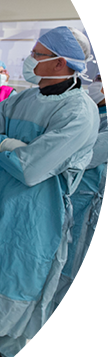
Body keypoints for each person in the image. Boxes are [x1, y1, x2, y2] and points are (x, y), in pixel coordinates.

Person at [0, 26, 99, 357]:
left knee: (18, 274)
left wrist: (6, 147)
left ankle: (9, 348)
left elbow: (31, 169)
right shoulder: (23, 98)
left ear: (60, 63)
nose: (29, 59)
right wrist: (7, 145)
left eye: (37, 54)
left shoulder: (79, 112)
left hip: (35, 211)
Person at [53, 74, 108, 310]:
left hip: (87, 205)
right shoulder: (95, 113)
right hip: (72, 197)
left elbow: (80, 153)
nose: (96, 85)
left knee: (71, 266)